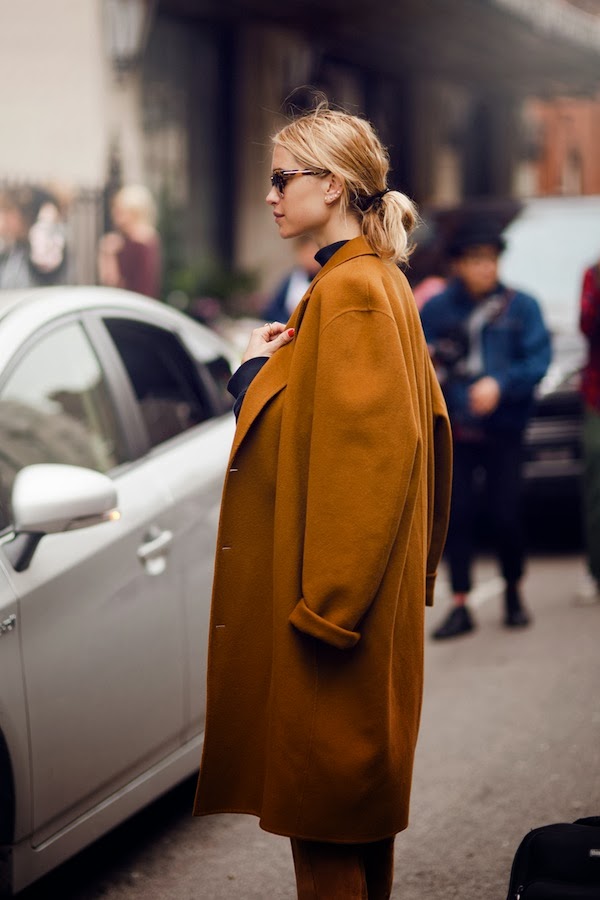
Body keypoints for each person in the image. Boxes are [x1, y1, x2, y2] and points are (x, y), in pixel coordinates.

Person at [192, 105, 453, 900]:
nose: (270, 196)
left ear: (332, 185)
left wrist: (328, 611)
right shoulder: (363, 280)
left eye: (282, 179)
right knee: (352, 830)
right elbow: (389, 436)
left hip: (334, 627)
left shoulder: (353, 291)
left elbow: (371, 463)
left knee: (327, 837)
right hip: (352, 616)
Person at [420, 219, 552, 640]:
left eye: (492, 259)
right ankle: (460, 604)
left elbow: (538, 360)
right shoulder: (436, 309)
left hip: (504, 429)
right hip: (455, 430)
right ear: (458, 264)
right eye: (476, 260)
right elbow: (418, 361)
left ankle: (514, 593)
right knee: (455, 516)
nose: (486, 267)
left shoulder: (522, 306)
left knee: (506, 514)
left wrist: (501, 385)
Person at [578, 258, 600, 603]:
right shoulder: (594, 275)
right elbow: (585, 325)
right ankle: (597, 572)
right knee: (596, 487)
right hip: (598, 397)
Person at [97, 184, 162, 298]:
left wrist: (108, 254)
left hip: (130, 302)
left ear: (134, 212)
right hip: (143, 302)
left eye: (119, 210)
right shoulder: (149, 238)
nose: (114, 213)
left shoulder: (135, 243)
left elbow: (111, 281)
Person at [262, 234, 321, 321]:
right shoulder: (291, 280)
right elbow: (273, 311)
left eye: (312, 253)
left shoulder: (325, 278)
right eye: (306, 253)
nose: (310, 258)